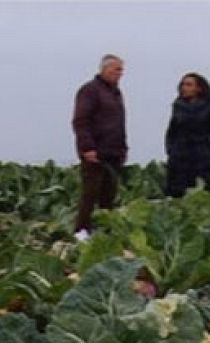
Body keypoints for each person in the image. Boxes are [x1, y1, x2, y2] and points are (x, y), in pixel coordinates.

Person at [72, 54, 127, 239]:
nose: (120, 73)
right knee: (90, 194)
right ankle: (81, 232)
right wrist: (87, 147)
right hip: (95, 152)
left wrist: (123, 148)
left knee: (108, 195)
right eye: (116, 69)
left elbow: (119, 123)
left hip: (113, 152)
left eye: (121, 70)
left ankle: (104, 233)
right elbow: (81, 121)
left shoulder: (115, 93)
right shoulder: (90, 91)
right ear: (104, 69)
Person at [164, 72, 210, 198]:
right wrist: (171, 150)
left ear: (199, 88)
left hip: (202, 157)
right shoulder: (178, 106)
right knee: (177, 193)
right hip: (180, 158)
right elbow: (171, 132)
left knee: (203, 192)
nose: (184, 88)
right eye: (183, 85)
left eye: (189, 85)